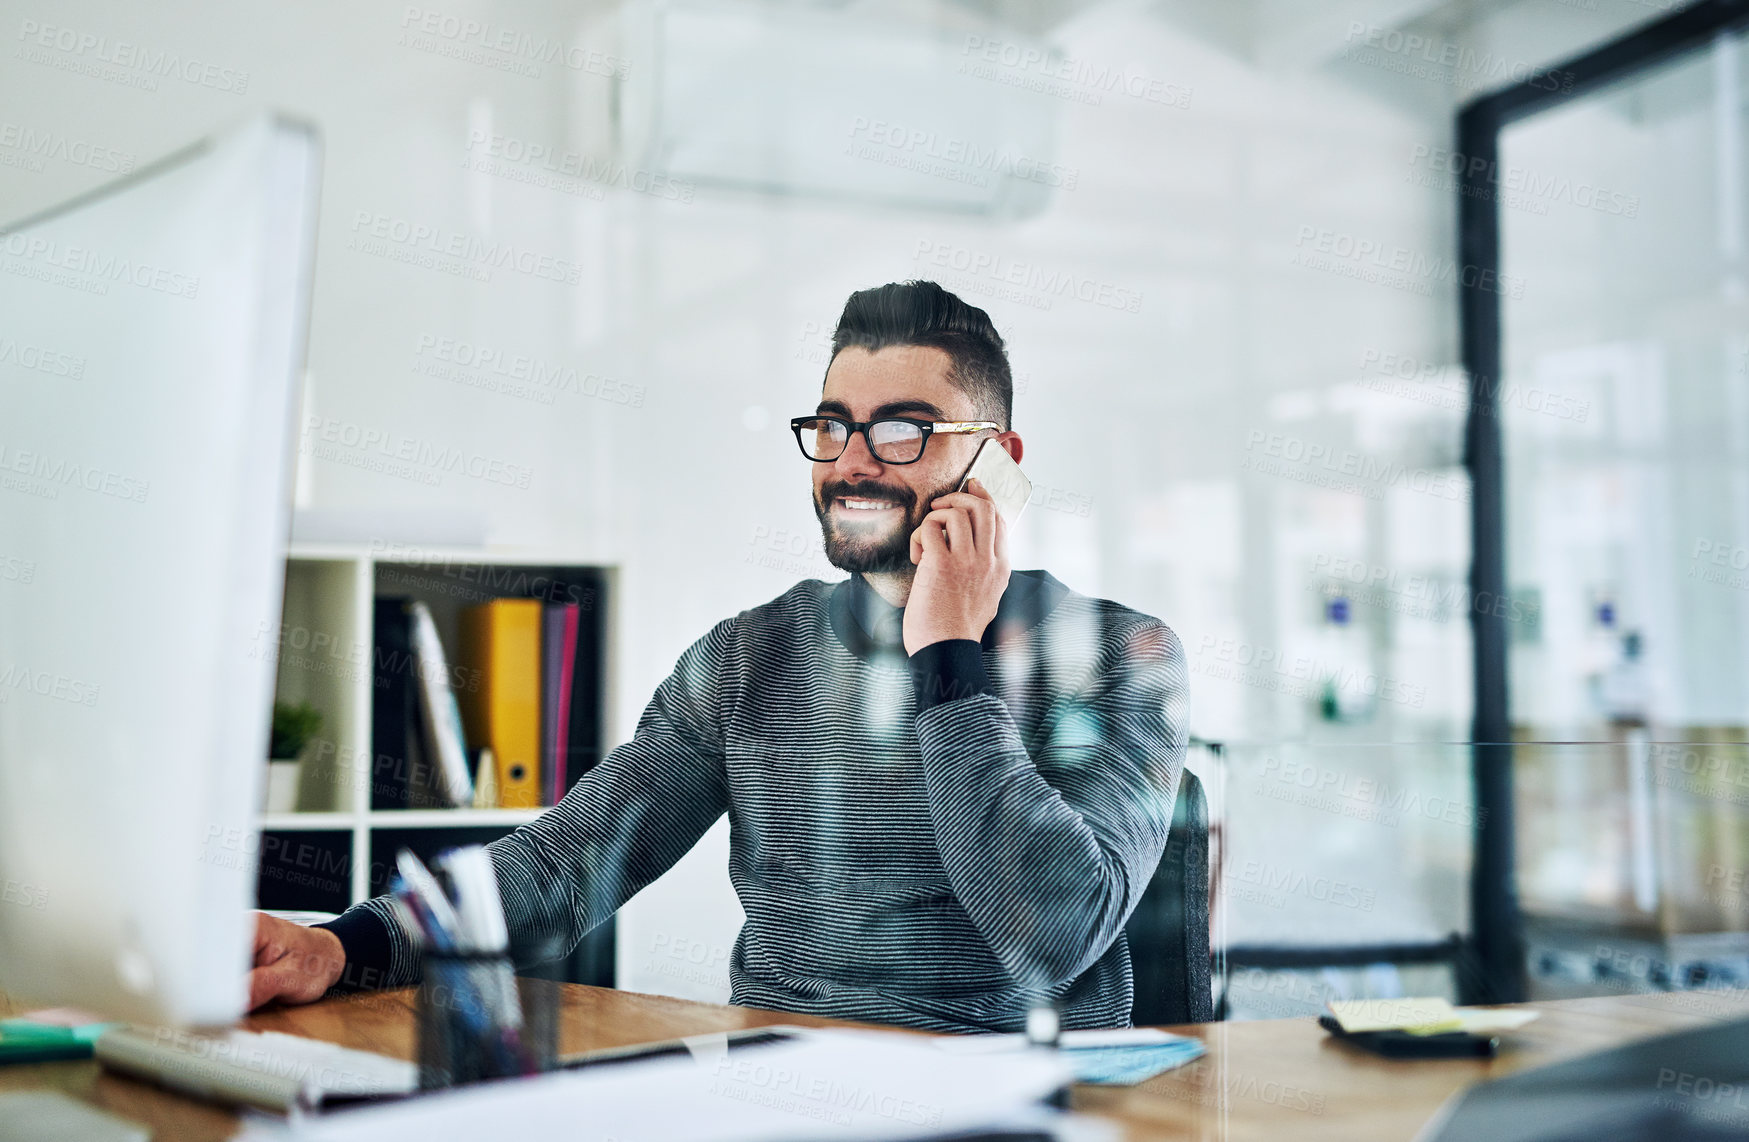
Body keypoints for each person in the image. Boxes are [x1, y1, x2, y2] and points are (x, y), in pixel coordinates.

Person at [248, 280, 1188, 1032]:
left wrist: (947, 656)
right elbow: (566, 865)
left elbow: (1054, 932)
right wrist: (343, 947)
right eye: (831, 426)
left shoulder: (1120, 658)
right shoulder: (745, 661)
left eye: (901, 429)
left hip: (1016, 1112)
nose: (851, 463)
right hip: (785, 1100)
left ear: (996, 458)